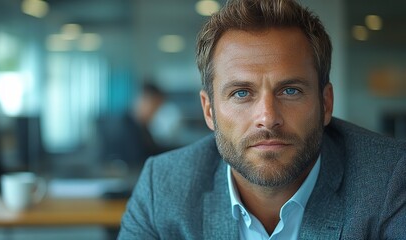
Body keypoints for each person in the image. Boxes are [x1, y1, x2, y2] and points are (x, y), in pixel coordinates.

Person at [118, 0, 406, 239]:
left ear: (325, 103)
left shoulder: (389, 179)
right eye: (242, 93)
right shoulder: (164, 186)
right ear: (209, 111)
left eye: (290, 90)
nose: (267, 118)